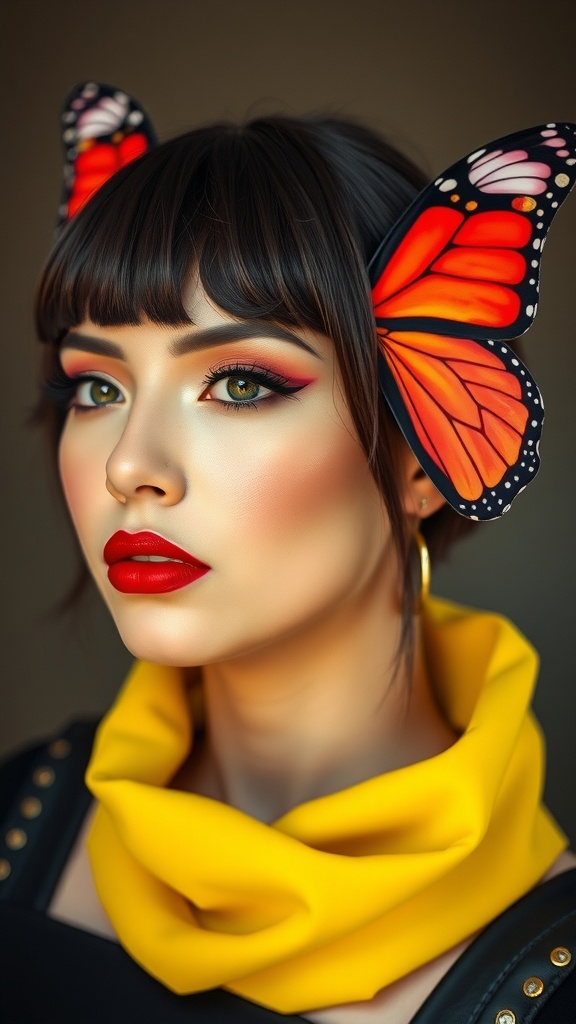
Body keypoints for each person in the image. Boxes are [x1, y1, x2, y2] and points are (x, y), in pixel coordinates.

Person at [1, 85, 575, 1022]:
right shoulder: (18, 813)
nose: (131, 466)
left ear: (421, 457)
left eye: (238, 382)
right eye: (97, 387)